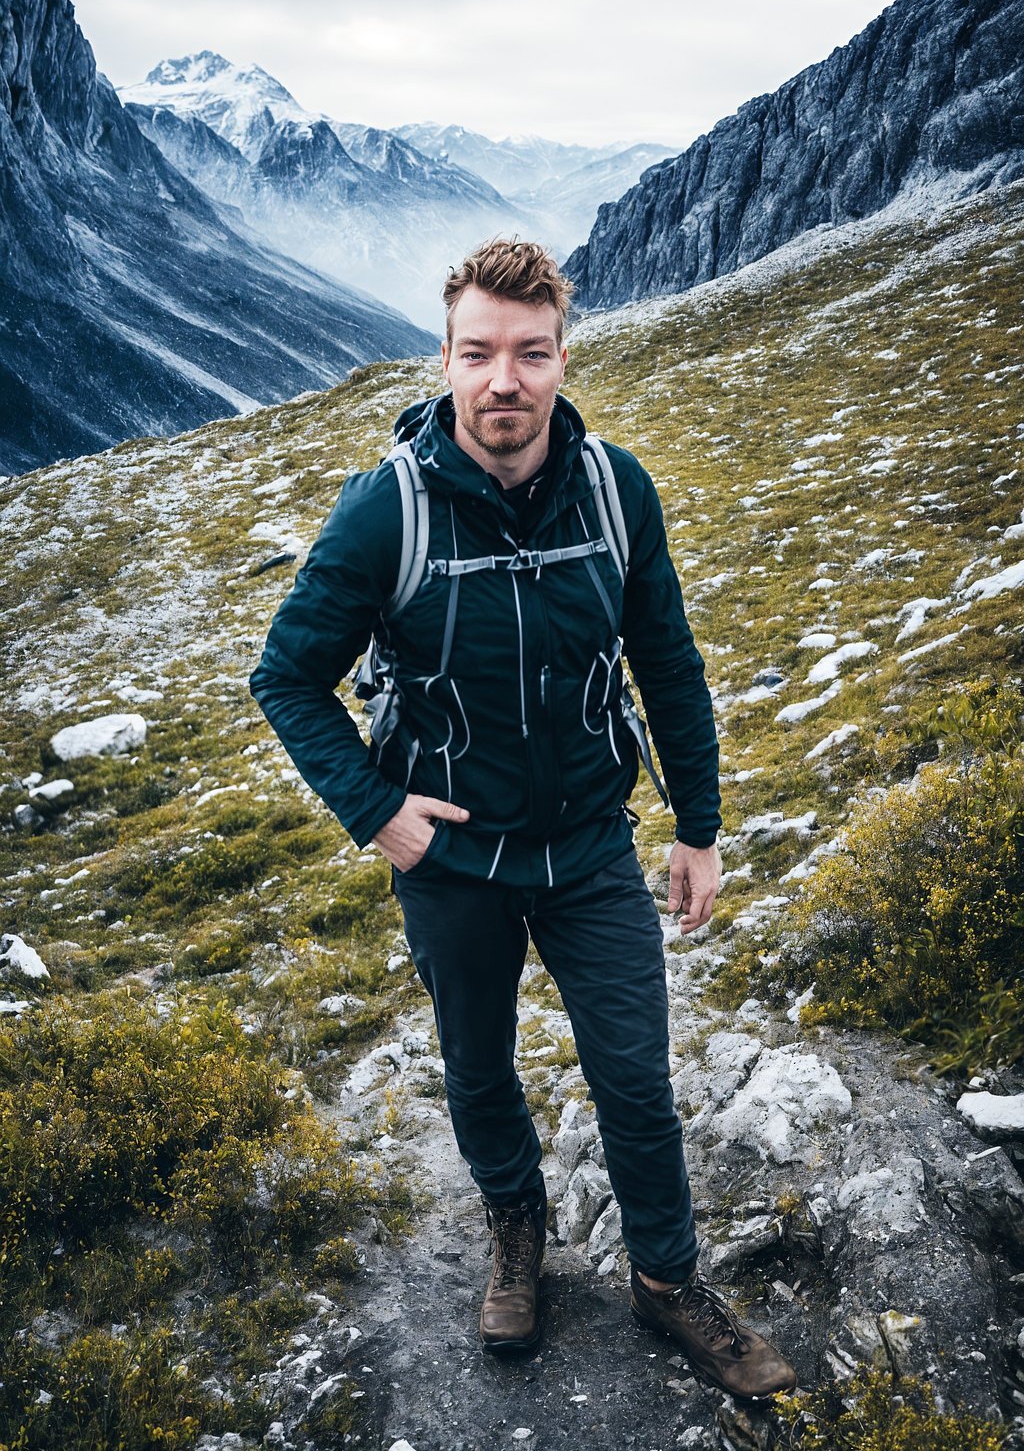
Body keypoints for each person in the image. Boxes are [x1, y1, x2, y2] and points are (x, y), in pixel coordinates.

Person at [248, 238, 797, 1400]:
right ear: (445, 359)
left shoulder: (615, 489)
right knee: (478, 1064)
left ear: (560, 357)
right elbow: (286, 675)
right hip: (453, 858)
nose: (506, 381)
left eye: (531, 354)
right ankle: (515, 1229)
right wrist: (376, 811)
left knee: (634, 1078)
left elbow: (666, 657)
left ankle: (666, 1281)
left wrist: (697, 826)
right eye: (479, 354)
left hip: (591, 844)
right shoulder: (385, 510)